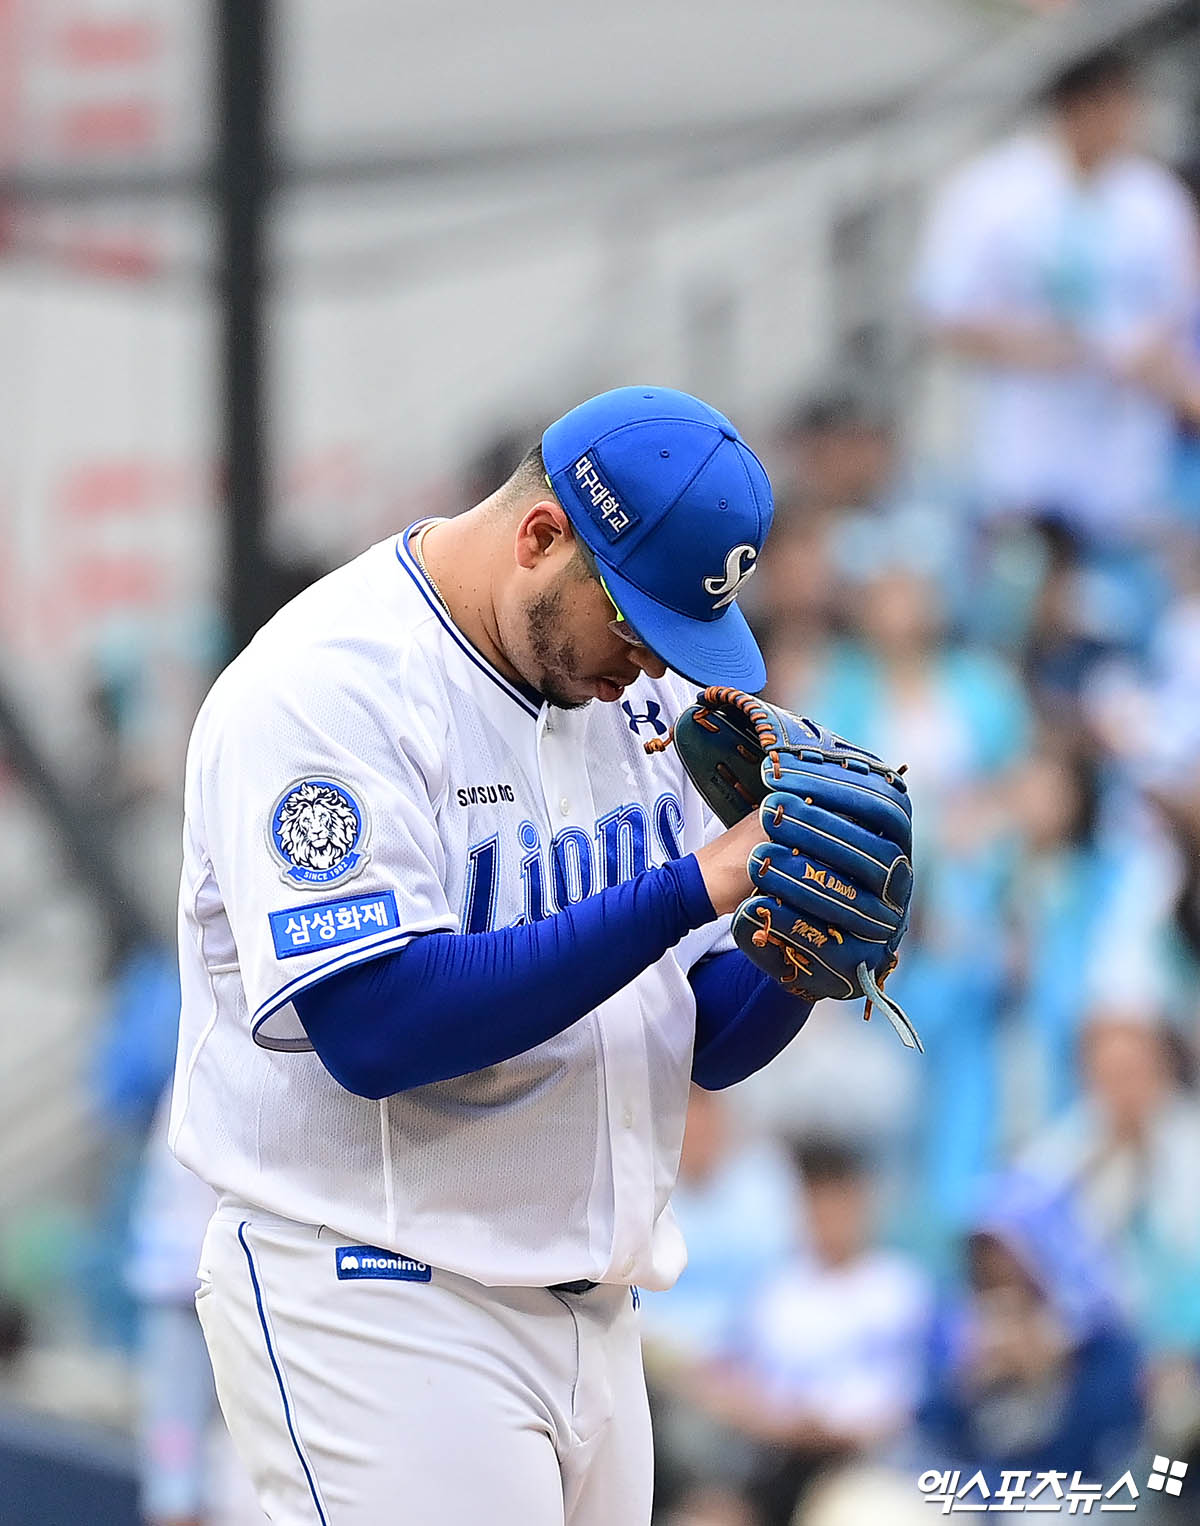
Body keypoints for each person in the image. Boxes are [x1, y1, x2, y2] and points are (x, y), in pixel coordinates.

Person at [167, 386, 889, 1526]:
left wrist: (798, 951)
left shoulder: (641, 700)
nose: (653, 665)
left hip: (595, 1314)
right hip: (382, 1295)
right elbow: (377, 1027)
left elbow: (688, 1031)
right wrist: (696, 884)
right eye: (636, 625)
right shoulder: (327, 687)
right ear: (541, 536)